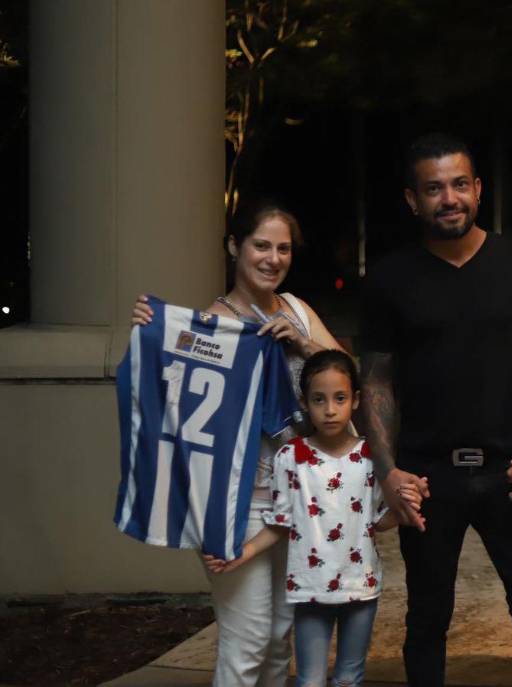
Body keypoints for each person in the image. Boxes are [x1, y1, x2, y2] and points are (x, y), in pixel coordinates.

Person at [358, 133, 512, 687]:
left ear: (477, 189)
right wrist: (388, 472)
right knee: (427, 616)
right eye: (433, 189)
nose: (448, 198)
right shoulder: (388, 277)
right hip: (427, 475)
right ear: (412, 200)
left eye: (458, 185)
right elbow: (376, 381)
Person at [131, 202, 347, 687]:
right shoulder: (210, 325)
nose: (273, 258)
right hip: (236, 503)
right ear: (235, 247)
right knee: (246, 640)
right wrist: (153, 328)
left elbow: (343, 374)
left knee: (279, 638)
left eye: (283, 248)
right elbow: (172, 403)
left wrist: (302, 344)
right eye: (261, 245)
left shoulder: (297, 310)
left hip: (296, 500)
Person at [204, 350, 415, 687]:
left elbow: (378, 521)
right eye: (319, 399)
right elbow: (279, 523)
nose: (330, 409)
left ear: (356, 401)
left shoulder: (371, 458)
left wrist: (405, 508)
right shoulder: (290, 457)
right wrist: (241, 553)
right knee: (309, 680)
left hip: (360, 589)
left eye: (340, 398)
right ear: (304, 402)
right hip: (309, 591)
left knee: (349, 678)